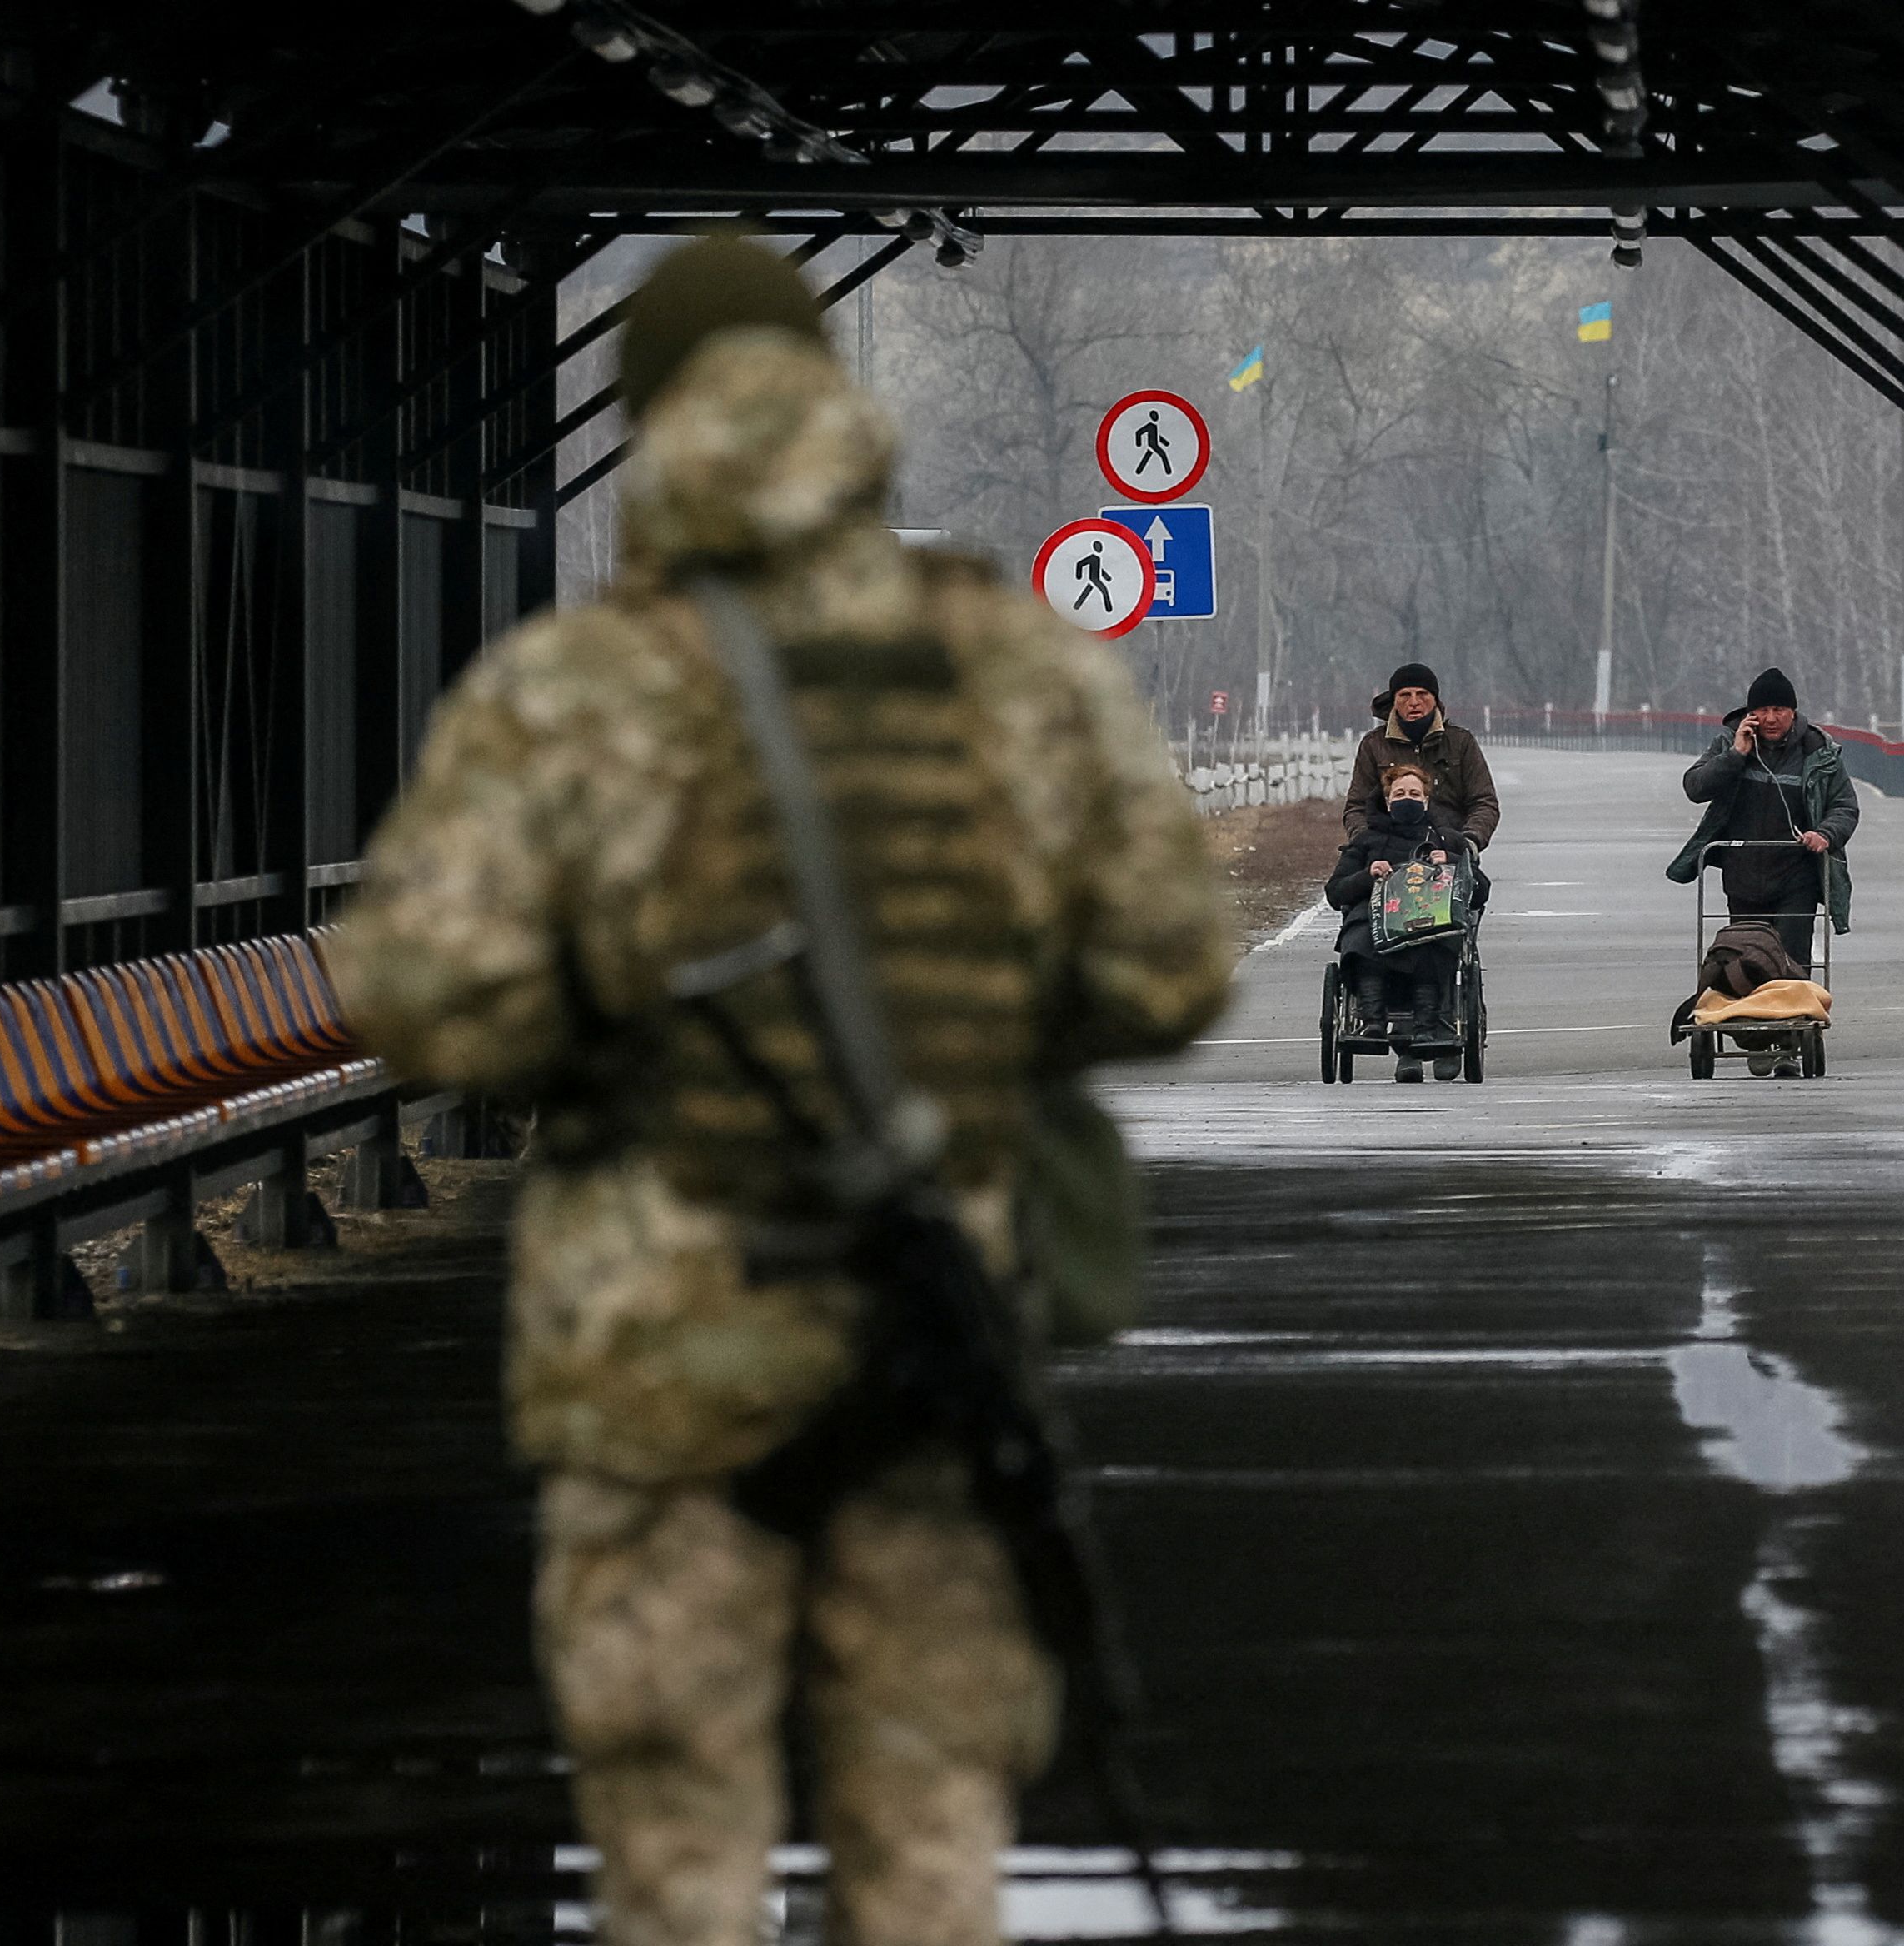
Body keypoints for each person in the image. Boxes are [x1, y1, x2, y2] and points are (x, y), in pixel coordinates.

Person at [326, 234, 1234, 1946]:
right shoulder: (1002, 662)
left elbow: (418, 990)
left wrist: (607, 1014)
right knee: (928, 1850)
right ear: (828, 397)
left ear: (649, 415)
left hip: (656, 1369)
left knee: (676, 1855)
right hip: (931, 1348)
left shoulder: (572, 687)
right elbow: (1172, 961)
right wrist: (973, 1021)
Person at [1667, 665, 1858, 971]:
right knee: (1748, 963)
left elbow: (1845, 806)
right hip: (1742, 876)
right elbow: (1695, 787)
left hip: (1797, 877)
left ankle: (1794, 1014)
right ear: (1750, 714)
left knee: (1792, 964)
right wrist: (1736, 755)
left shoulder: (1819, 752)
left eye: (1779, 709)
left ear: (1793, 713)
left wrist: (1825, 834)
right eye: (1763, 710)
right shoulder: (1729, 743)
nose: (1771, 718)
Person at [1326, 763, 1487, 1083]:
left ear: (1427, 800)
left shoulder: (1446, 840)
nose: (1407, 798)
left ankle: (1427, 1027)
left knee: (1435, 939)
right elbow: (1335, 891)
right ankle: (1371, 1020)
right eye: (1399, 793)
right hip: (1376, 919)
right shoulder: (1367, 842)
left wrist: (1453, 863)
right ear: (1387, 801)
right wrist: (1368, 874)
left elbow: (1481, 891)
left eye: (1415, 793)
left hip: (1427, 920)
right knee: (1360, 938)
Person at [1341, 661, 1500, 850]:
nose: (1414, 702)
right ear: (1394, 701)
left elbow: (1484, 802)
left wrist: (1470, 841)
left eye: (1422, 694)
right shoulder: (1374, 745)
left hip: (1450, 848)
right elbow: (1357, 807)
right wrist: (1365, 842)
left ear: (1435, 699)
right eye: (1405, 695)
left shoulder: (1461, 742)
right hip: (1387, 851)